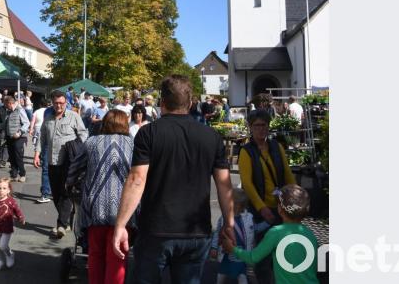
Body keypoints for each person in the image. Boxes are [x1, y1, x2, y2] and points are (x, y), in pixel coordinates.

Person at [112, 75, 235, 283]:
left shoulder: (148, 133)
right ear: (191, 103)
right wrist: (229, 224)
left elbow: (136, 180)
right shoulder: (212, 136)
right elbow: (224, 184)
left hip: (156, 229)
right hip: (196, 230)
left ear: (162, 102)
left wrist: (120, 225)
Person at [238, 108, 297, 283]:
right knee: (263, 255)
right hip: (260, 210)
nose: (261, 129)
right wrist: (261, 207)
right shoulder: (246, 151)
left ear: (269, 126)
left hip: (281, 208)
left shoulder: (276, 147)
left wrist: (295, 196)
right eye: (257, 126)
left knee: (283, 251)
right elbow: (247, 184)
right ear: (250, 127)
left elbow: (288, 174)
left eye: (264, 125)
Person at [222, 184, 319, 284]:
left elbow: (252, 258)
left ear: (280, 209)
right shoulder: (310, 234)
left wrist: (232, 249)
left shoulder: (276, 233)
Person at [81, 110, 135, 284]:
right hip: (124, 210)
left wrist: (71, 185)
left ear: (104, 123)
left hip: (95, 208)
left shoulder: (91, 142)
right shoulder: (134, 144)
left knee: (95, 255)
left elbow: (74, 170)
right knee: (117, 257)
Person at [33, 89, 88, 238]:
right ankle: (67, 219)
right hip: (52, 161)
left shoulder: (73, 116)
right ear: (52, 102)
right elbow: (42, 138)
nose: (59, 106)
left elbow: (84, 133)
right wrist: (37, 153)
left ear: (66, 103)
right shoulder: (48, 118)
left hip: (69, 161)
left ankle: (61, 225)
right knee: (56, 193)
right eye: (56, 103)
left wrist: (77, 145)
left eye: (62, 103)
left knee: (65, 192)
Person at [210, 188, 270, 284]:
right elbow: (217, 233)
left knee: (242, 274)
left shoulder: (249, 217)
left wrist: (267, 223)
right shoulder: (224, 218)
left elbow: (255, 228)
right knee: (222, 272)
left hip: (242, 252)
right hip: (228, 252)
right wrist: (214, 247)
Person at [0, 96, 30, 182]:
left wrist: (19, 133)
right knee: (12, 156)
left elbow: (27, 123)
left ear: (10, 103)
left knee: (18, 156)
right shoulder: (8, 112)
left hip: (19, 137)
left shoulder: (20, 110)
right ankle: (14, 175)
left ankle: (22, 174)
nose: (5, 106)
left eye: (5, 104)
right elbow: (4, 124)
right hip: (9, 137)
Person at [30, 100, 51, 203]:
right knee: (46, 169)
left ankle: (50, 193)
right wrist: (36, 154)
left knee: (55, 171)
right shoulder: (47, 112)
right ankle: (45, 193)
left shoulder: (37, 111)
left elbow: (32, 121)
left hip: (59, 148)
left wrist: (31, 129)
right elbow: (42, 137)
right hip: (46, 144)